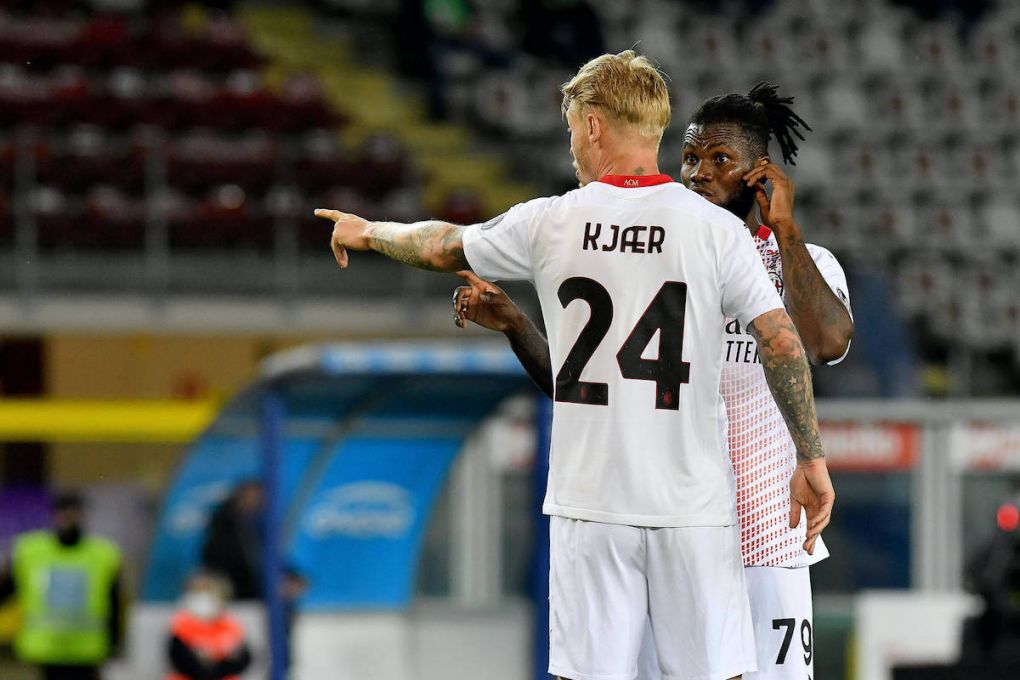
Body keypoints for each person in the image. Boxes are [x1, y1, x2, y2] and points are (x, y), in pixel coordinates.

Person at [315, 51, 835, 680]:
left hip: (591, 506)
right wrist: (810, 457)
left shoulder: (550, 221)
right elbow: (783, 342)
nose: (572, 148)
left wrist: (366, 231)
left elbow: (442, 244)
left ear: (593, 125)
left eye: (570, 132)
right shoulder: (714, 232)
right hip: (693, 509)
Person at [452, 82, 854, 680]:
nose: (697, 173)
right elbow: (588, 392)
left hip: (769, 537)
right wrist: (515, 324)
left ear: (759, 174)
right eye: (689, 157)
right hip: (667, 533)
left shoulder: (807, 264)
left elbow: (825, 343)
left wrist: (785, 231)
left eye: (720, 159)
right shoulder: (656, 260)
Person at [0, 492, 123, 680]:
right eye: (63, 512)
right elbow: (8, 588)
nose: (68, 518)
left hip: (86, 648)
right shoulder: (30, 550)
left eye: (73, 512)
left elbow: (114, 601)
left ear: (82, 515)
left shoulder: (103, 554)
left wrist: (114, 641)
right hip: (45, 647)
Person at [166, 571, 252, 680]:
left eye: (206, 591)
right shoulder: (181, 626)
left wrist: (228, 662)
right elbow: (180, 659)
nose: (201, 599)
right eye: (196, 592)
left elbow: (244, 659)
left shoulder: (230, 626)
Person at [200, 480, 264, 601]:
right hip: (231, 586)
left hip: (250, 587)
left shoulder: (257, 521)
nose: (258, 500)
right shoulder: (224, 522)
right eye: (254, 495)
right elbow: (215, 553)